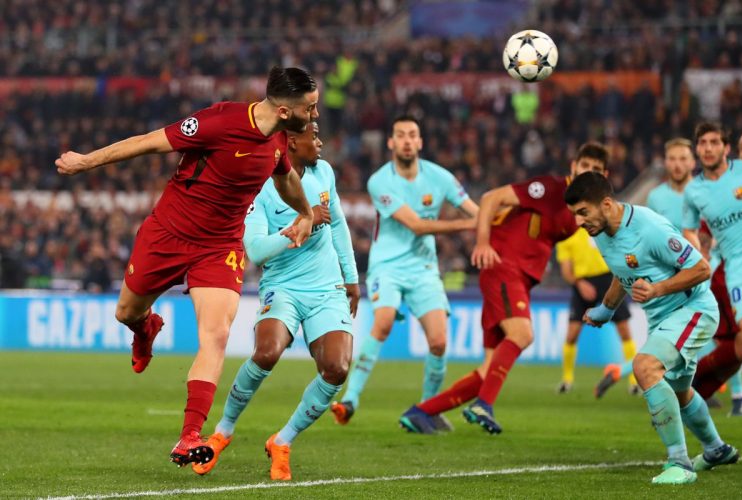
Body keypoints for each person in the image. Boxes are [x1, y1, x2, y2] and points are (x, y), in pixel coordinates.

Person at [54, 66, 318, 466]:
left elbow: (285, 178)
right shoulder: (220, 121)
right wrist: (85, 162)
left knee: (216, 335)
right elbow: (148, 142)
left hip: (220, 247)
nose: (314, 115)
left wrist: (306, 213)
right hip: (168, 234)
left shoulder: (280, 138)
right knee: (126, 312)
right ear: (285, 110)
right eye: (309, 108)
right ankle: (145, 328)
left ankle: (189, 434)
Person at [399, 142, 607, 435]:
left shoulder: (580, 212)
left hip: (517, 277)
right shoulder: (550, 189)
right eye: (585, 166)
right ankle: (483, 405)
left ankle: (421, 413)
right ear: (574, 167)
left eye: (596, 169)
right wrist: (483, 242)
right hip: (504, 266)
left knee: (489, 369)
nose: (588, 172)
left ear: (604, 176)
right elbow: (491, 197)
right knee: (523, 334)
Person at [191, 121, 358, 481]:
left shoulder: (324, 173)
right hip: (282, 286)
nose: (320, 142)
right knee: (267, 352)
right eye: (314, 136)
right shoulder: (262, 187)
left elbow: (339, 225)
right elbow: (255, 249)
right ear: (291, 142)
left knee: (337, 368)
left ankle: (282, 441)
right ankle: (223, 431)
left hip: (327, 287)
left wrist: (352, 277)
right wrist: (301, 225)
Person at [566, 171, 738, 485]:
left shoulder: (649, 227)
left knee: (645, 367)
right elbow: (623, 271)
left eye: (583, 212)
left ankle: (679, 463)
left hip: (692, 309)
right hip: (663, 319)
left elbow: (700, 269)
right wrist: (606, 309)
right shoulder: (600, 232)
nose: (578, 221)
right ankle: (716, 449)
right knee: (679, 392)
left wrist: (658, 289)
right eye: (575, 214)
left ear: (607, 204)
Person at [330, 115, 479, 427]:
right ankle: (350, 399)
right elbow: (418, 225)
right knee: (383, 322)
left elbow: (477, 211)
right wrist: (471, 224)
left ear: (420, 142)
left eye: (412, 135)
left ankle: (425, 412)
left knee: (439, 342)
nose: (407, 141)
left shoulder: (440, 177)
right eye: (401, 135)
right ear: (391, 142)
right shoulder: (379, 181)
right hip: (387, 266)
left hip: (424, 269)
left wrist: (491, 221)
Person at [594, 138, 696, 398]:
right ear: (666, 162)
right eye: (672, 159)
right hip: (664, 279)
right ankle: (716, 394)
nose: (677, 164)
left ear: (692, 162)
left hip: (699, 268)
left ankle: (621, 372)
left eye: (683, 159)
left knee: (700, 336)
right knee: (682, 339)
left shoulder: (703, 192)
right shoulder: (656, 197)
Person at [685, 124, 742, 416]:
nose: (708, 148)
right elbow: (694, 231)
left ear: (725, 148)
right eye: (703, 143)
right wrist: (701, 256)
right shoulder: (696, 191)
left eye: (714, 142)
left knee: (739, 346)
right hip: (734, 272)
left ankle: (690, 389)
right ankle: (690, 388)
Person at [556, 226, 636, 394]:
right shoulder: (565, 234)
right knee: (572, 334)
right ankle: (567, 380)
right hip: (582, 282)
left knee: (624, 331)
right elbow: (566, 270)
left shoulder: (598, 226)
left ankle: (634, 382)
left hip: (609, 279)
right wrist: (579, 283)